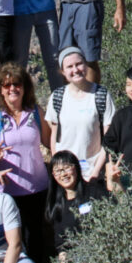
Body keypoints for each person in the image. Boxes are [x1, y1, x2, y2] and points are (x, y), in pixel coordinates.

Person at [0, 62, 53, 263]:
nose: (12, 89)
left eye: (17, 84)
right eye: (7, 85)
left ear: (25, 87)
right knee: (13, 241)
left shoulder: (35, 112)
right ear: (0, 89)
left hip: (38, 189)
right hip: (6, 192)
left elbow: (50, 142)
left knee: (36, 239)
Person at [45, 150, 122, 263]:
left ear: (76, 168)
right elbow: (62, 247)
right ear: (53, 175)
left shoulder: (93, 191)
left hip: (100, 257)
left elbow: (119, 208)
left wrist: (116, 183)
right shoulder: (56, 206)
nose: (64, 174)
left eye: (67, 168)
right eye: (58, 171)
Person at [47, 47, 117, 182]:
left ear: (85, 64)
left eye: (79, 64)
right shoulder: (57, 97)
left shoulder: (101, 95)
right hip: (65, 171)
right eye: (69, 66)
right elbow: (54, 136)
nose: (75, 70)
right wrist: (59, 166)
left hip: (93, 169)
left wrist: (96, 171)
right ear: (63, 71)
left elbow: (108, 138)